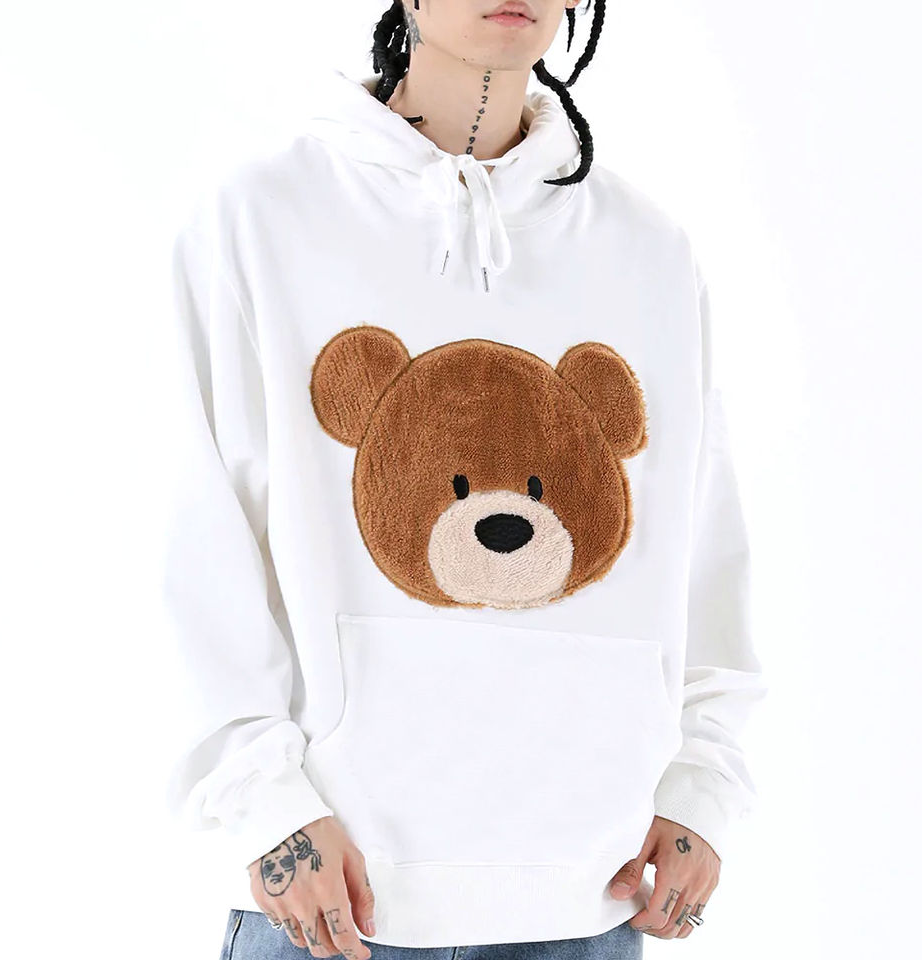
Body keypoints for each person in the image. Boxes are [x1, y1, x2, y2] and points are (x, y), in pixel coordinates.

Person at [162, 2, 768, 958]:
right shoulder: (262, 219)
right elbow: (192, 538)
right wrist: (261, 806)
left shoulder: (648, 251)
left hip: (588, 900)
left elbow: (706, 548)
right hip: (333, 899)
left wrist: (704, 789)